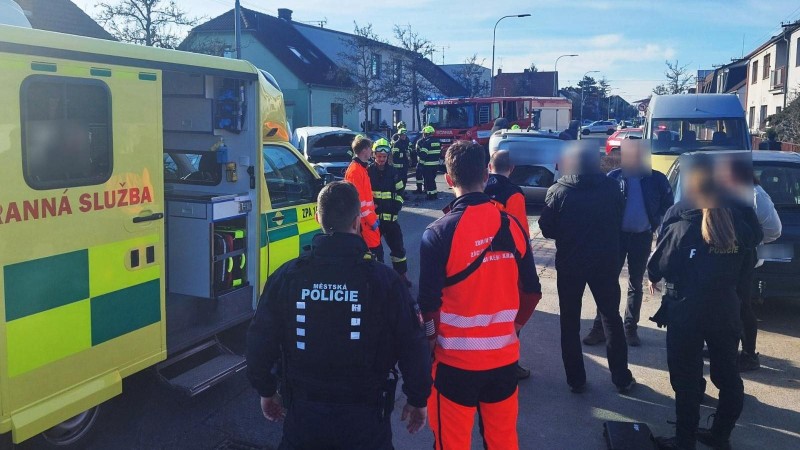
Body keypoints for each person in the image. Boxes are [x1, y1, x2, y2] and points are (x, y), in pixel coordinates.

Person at [245, 181, 431, 450]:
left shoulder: (288, 276)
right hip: (366, 419)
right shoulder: (385, 281)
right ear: (357, 222)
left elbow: (259, 341)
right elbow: (414, 345)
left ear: (319, 218)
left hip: (304, 417)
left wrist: (266, 390)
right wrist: (417, 398)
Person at [418, 140, 542, 450]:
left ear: (448, 179)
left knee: (452, 443)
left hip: (454, 365)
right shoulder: (512, 226)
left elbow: (428, 307)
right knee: (502, 442)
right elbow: (532, 292)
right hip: (503, 362)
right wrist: (514, 327)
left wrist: (430, 344)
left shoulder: (437, 233)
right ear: (486, 176)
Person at [648, 159, 758, 450]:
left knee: (685, 379)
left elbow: (660, 264)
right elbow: (748, 264)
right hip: (725, 309)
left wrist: (654, 277)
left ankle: (684, 441)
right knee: (728, 376)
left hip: (687, 310)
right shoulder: (739, 224)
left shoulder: (683, 224)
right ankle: (720, 436)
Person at [538, 145, 635, 393]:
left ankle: (575, 379)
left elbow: (547, 228)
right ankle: (621, 377)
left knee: (569, 321)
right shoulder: (612, 188)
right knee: (611, 317)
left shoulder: (558, 190)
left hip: (571, 263)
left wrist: (567, 233)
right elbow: (619, 217)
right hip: (605, 261)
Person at [583, 144, 674, 347]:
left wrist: (656, 224)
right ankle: (600, 328)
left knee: (636, 283)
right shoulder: (614, 178)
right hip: (617, 238)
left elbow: (668, 206)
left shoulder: (657, 180)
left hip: (642, 238)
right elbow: (600, 206)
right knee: (607, 282)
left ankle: (630, 328)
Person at [485, 149, 535, 380]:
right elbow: (521, 234)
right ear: (512, 168)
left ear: (489, 166)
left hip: (479, 259)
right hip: (507, 263)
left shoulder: (480, 187)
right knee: (509, 315)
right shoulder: (513, 193)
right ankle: (508, 365)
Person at [727, 160, 781, 371]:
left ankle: (749, 354)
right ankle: (728, 347)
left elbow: (773, 230)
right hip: (727, 259)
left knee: (742, 306)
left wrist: (752, 243)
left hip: (744, 259)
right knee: (727, 305)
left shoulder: (754, 194)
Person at [369, 138, 412, 287]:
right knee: (375, 252)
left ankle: (402, 277)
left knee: (398, 249)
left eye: (384, 157)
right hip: (373, 222)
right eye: (379, 156)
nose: (381, 159)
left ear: (388, 157)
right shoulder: (368, 172)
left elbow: (400, 191)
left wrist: (397, 205)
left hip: (391, 220)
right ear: (374, 155)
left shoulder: (394, 172)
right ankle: (378, 280)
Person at [345, 135, 381, 253]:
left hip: (367, 223)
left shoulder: (360, 169)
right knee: (374, 258)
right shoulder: (356, 171)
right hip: (365, 225)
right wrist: (372, 221)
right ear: (364, 150)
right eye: (370, 149)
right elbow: (359, 202)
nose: (371, 151)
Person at [415, 125, 442, 200]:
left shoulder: (426, 143)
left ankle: (430, 195)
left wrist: (420, 161)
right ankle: (434, 194)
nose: (423, 135)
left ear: (426, 134)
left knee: (429, 181)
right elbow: (440, 153)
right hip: (436, 165)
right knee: (432, 180)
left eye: (424, 133)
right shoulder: (438, 141)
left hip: (428, 165)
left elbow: (423, 155)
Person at [390, 128, 412, 195]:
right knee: (399, 181)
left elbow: (411, 150)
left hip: (405, 165)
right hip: (398, 166)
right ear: (399, 135)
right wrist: (404, 154)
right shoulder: (396, 144)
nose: (404, 136)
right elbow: (395, 155)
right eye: (402, 135)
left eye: (405, 135)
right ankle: (399, 193)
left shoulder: (407, 142)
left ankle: (402, 192)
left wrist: (408, 152)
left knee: (404, 180)